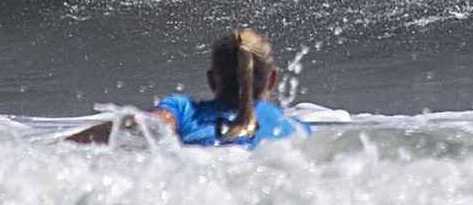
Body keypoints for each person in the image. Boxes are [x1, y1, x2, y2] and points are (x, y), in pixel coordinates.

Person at [65, 27, 309, 148]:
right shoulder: (294, 130)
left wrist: (62, 146)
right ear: (272, 79)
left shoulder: (184, 111)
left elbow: (143, 125)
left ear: (212, 79)